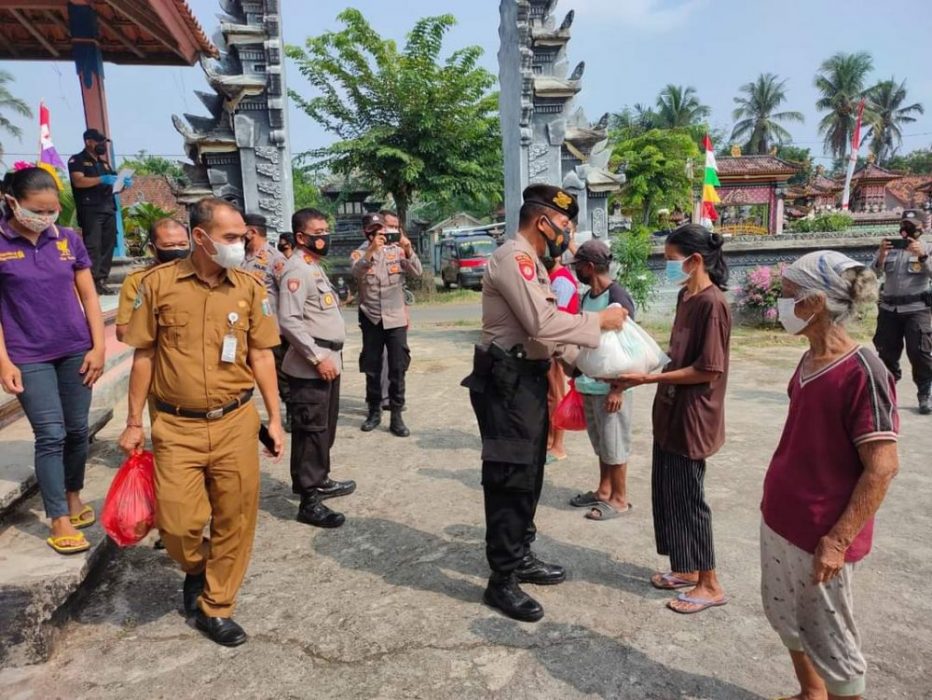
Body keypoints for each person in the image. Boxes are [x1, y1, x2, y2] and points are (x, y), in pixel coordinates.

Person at [118, 197, 284, 647]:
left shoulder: (249, 288)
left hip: (235, 422)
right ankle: (198, 565)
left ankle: (217, 606)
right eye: (231, 238)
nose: (240, 246)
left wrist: (275, 418)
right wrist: (134, 421)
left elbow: (262, 354)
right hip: (176, 427)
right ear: (200, 237)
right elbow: (144, 355)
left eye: (243, 238)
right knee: (177, 526)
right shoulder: (156, 285)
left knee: (236, 518)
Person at [461, 184, 627, 622]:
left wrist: (585, 367)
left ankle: (521, 554)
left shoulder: (532, 263)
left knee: (530, 475)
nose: (566, 236)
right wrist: (600, 322)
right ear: (542, 222)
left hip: (525, 380)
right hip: (506, 383)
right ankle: (502, 580)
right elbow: (543, 321)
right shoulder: (513, 259)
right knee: (510, 479)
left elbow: (542, 335)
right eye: (564, 226)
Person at [761, 251, 899, 700]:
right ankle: (810, 693)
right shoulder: (808, 359)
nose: (779, 305)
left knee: (832, 640)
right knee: (787, 617)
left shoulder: (864, 371)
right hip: (783, 518)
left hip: (821, 533)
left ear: (813, 303)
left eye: (786, 296)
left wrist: (837, 541)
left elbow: (882, 466)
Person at [614, 224, 730, 614]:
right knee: (668, 493)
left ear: (694, 260)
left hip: (693, 415)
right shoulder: (687, 296)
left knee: (689, 497)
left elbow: (708, 368)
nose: (667, 266)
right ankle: (685, 568)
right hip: (669, 408)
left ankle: (710, 582)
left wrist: (649, 377)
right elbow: (677, 353)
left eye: (670, 260)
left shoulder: (712, 304)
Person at [0, 166, 105, 554]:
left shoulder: (68, 239)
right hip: (27, 355)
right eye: (37, 210)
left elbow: (90, 297)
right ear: (12, 202)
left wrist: (98, 346)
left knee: (78, 430)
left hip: (75, 349)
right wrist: (3, 363)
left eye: (51, 210)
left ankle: (74, 495)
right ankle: (58, 517)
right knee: (51, 434)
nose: (45, 218)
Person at [278, 207, 355, 528]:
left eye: (326, 231)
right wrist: (316, 357)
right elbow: (289, 321)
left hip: (328, 361)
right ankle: (309, 500)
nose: (324, 237)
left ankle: (320, 479)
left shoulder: (314, 267)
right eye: (318, 232)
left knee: (324, 429)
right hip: (313, 365)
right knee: (310, 431)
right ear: (300, 237)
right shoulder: (296, 270)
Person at [567, 239, 636, 521]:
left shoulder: (617, 294)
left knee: (615, 442)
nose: (576, 271)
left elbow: (630, 345)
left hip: (611, 388)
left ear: (590, 267)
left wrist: (619, 388)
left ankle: (620, 499)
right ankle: (604, 490)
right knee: (602, 443)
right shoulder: (588, 296)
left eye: (579, 266)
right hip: (590, 384)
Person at [351, 212, 423, 437]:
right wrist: (371, 251)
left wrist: (408, 248)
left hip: (395, 317)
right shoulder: (359, 253)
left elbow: (417, 272)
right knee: (372, 367)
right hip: (371, 316)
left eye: (381, 229)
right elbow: (356, 271)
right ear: (366, 232)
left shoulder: (397, 250)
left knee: (397, 366)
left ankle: (397, 414)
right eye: (374, 230)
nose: (380, 233)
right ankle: (374, 411)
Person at [871, 208, 932, 414]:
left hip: (917, 309)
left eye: (912, 226)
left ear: (922, 228)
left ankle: (924, 394)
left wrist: (923, 257)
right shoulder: (890, 247)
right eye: (904, 224)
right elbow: (872, 273)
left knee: (919, 352)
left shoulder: (927, 248)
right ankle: (887, 393)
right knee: (886, 352)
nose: (906, 229)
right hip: (889, 308)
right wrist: (881, 255)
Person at [240, 213, 290, 429]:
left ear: (251, 232)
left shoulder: (275, 259)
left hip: (271, 330)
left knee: (280, 376)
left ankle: (289, 412)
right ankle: (241, 415)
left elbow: (287, 294)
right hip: (242, 328)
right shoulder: (239, 258)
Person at [67, 129, 131, 295]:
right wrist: (101, 179)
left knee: (107, 246)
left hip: (108, 207)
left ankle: (101, 280)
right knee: (93, 247)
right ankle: (90, 282)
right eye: (98, 142)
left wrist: (123, 184)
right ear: (88, 141)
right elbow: (78, 181)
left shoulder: (105, 164)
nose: (102, 145)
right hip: (91, 210)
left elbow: (114, 187)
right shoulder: (77, 160)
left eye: (104, 142)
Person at [115, 218, 190, 342]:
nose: (177, 250)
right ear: (152, 248)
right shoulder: (139, 280)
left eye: (183, 245)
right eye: (169, 245)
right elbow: (123, 332)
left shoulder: (202, 275)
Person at [543, 236, 579, 463]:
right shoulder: (551, 279)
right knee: (549, 394)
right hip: (550, 344)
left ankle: (557, 445)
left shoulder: (562, 282)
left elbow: (558, 319)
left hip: (558, 345)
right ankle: (548, 441)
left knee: (555, 394)